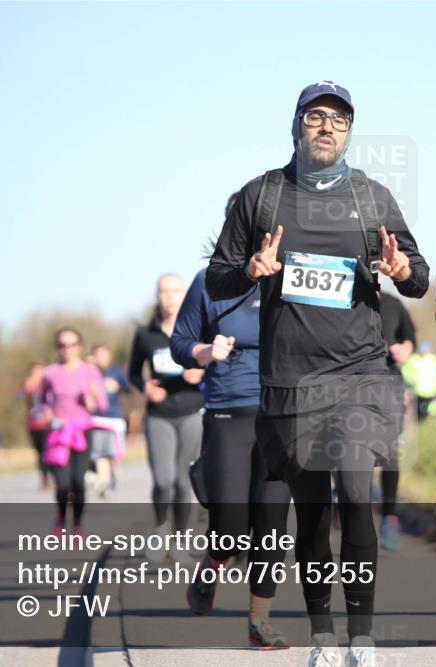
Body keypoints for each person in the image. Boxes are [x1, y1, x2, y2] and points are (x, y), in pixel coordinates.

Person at [207, 81, 429, 667]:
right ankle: (323, 636)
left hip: (359, 373)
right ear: (297, 126)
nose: (327, 127)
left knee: (356, 496)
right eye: (315, 117)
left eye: (339, 119)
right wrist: (251, 269)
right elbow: (217, 280)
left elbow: (419, 276)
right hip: (291, 382)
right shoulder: (261, 198)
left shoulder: (371, 198)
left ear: (350, 132)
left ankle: (363, 637)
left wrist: (403, 268)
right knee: (313, 512)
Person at [171, 229, 293, 649]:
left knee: (273, 526)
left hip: (282, 414)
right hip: (228, 411)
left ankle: (259, 623)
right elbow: (180, 342)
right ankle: (210, 568)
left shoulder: (291, 277)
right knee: (231, 528)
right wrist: (207, 352)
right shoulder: (210, 281)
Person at [128, 274, 205, 558]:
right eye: (163, 291)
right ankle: (160, 528)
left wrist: (202, 370)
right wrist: (144, 386)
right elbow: (133, 374)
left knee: (183, 480)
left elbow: (214, 359)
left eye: (174, 291)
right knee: (163, 480)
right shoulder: (145, 334)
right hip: (159, 413)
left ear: (183, 295)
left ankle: (181, 542)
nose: (169, 296)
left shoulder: (196, 328)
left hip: (190, 410)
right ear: (157, 296)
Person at [40, 327, 109, 536]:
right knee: (62, 484)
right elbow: (41, 402)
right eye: (62, 345)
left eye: (71, 345)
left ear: (79, 347)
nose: (67, 349)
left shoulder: (90, 371)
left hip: (82, 431)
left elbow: (103, 404)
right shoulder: (50, 373)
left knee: (79, 481)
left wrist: (93, 400)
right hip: (58, 433)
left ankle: (77, 524)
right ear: (57, 348)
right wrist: (46, 412)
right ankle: (61, 517)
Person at [376, 289, 416, 552]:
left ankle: (389, 518)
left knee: (390, 454)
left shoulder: (393, 304)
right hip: (349, 384)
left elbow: (410, 337)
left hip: (389, 384)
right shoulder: (343, 296)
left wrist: (404, 350)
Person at [89, 343, 131, 497]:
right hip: (95, 419)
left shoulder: (117, 372)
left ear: (109, 356)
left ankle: (110, 475)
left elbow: (129, 389)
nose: (101, 358)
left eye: (104, 355)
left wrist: (117, 387)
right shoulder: (88, 372)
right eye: (98, 355)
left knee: (113, 454)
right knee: (99, 453)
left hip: (114, 418)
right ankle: (104, 483)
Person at [22, 361, 52, 490]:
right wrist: (27, 389)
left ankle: (53, 477)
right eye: (35, 371)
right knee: (40, 453)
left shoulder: (49, 384)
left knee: (49, 451)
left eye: (40, 370)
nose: (37, 374)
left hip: (48, 424)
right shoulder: (29, 385)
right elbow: (17, 397)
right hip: (34, 424)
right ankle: (44, 478)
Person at [401, 341, 436, 422]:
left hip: (432, 391)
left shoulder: (434, 359)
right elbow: (405, 372)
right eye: (423, 349)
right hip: (419, 392)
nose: (425, 351)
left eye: (427, 349)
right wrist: (411, 382)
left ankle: (432, 423)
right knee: (421, 412)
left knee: (434, 409)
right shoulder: (414, 359)